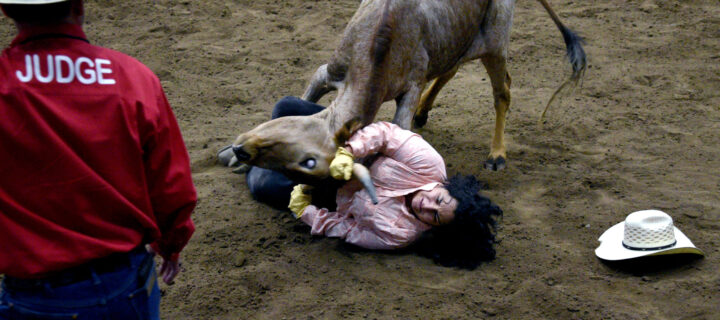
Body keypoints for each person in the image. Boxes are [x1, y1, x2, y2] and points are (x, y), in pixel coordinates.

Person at [0, 1, 197, 319]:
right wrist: (170, 244)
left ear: (7, 11)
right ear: (79, 6)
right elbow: (173, 187)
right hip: (121, 280)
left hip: (29, 291)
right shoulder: (133, 78)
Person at [221, 97, 502, 269]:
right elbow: (386, 133)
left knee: (262, 185)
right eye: (439, 200)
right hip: (351, 149)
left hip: (326, 192)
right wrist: (349, 152)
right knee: (286, 106)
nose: (428, 206)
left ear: (434, 228)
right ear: (446, 188)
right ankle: (259, 149)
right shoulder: (430, 164)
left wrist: (303, 209)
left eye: (435, 217)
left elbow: (344, 228)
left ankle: (250, 155)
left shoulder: (399, 235)